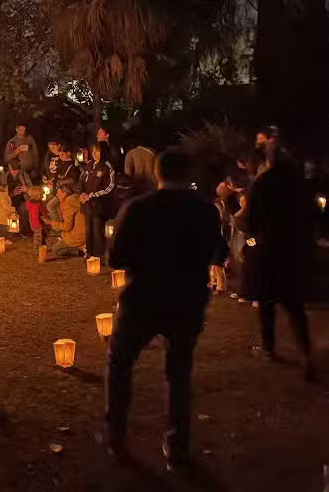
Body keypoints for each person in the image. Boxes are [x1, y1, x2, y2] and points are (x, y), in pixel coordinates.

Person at [106, 148, 226, 471]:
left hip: (142, 299)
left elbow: (115, 258)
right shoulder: (205, 210)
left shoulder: (137, 208)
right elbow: (217, 250)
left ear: (157, 173)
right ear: (189, 175)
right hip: (186, 301)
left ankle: (116, 437)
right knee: (179, 373)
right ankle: (177, 446)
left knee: (120, 364)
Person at [236, 139, 315, 380]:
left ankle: (269, 348)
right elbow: (312, 215)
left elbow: (250, 219)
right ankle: (305, 354)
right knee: (294, 305)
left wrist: (248, 236)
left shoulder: (263, 183)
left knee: (266, 302)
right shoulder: (300, 183)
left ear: (270, 160)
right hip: (292, 251)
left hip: (266, 250)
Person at [79, 142, 115, 259]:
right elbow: (81, 181)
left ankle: (99, 255)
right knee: (88, 229)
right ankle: (89, 253)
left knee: (97, 230)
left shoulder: (106, 166)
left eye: (98, 151)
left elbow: (109, 187)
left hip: (99, 205)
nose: (95, 153)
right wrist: (81, 193)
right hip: (86, 204)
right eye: (93, 151)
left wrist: (92, 195)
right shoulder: (88, 165)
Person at [46, 179, 86, 257]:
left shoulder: (68, 202)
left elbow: (67, 226)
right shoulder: (75, 197)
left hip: (77, 236)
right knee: (59, 239)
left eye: (58, 192)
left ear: (65, 193)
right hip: (83, 232)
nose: (56, 195)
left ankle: (79, 250)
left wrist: (50, 222)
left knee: (55, 250)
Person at [45, 146, 81, 222]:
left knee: (53, 207)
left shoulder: (73, 165)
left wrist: (62, 182)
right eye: (59, 155)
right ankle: (58, 226)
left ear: (68, 153)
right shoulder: (61, 163)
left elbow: (73, 179)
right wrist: (51, 182)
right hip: (60, 192)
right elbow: (57, 176)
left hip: (69, 192)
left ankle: (60, 226)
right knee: (51, 206)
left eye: (62, 154)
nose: (60, 156)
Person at [6, 157, 32, 233]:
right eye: (12, 170)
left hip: (23, 199)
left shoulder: (24, 175)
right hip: (11, 199)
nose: (13, 172)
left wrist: (27, 189)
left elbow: (33, 189)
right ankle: (15, 230)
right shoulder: (7, 176)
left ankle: (24, 231)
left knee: (22, 210)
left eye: (16, 171)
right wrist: (12, 193)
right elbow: (4, 192)